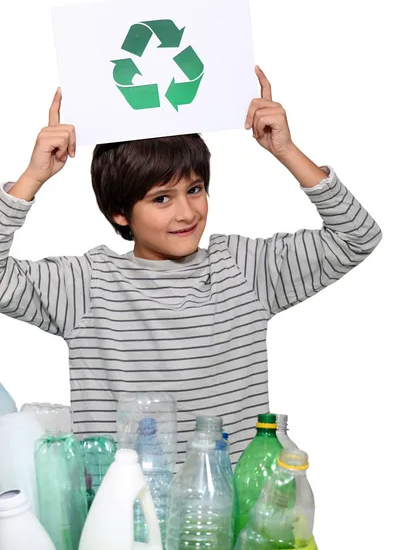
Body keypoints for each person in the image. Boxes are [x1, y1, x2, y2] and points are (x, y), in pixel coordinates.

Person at [0, 66, 382, 464]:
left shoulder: (245, 270)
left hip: (228, 513)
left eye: (195, 190)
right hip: (120, 518)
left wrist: (286, 150)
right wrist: (33, 176)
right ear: (119, 212)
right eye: (161, 198)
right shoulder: (85, 285)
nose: (187, 213)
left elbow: (358, 236)